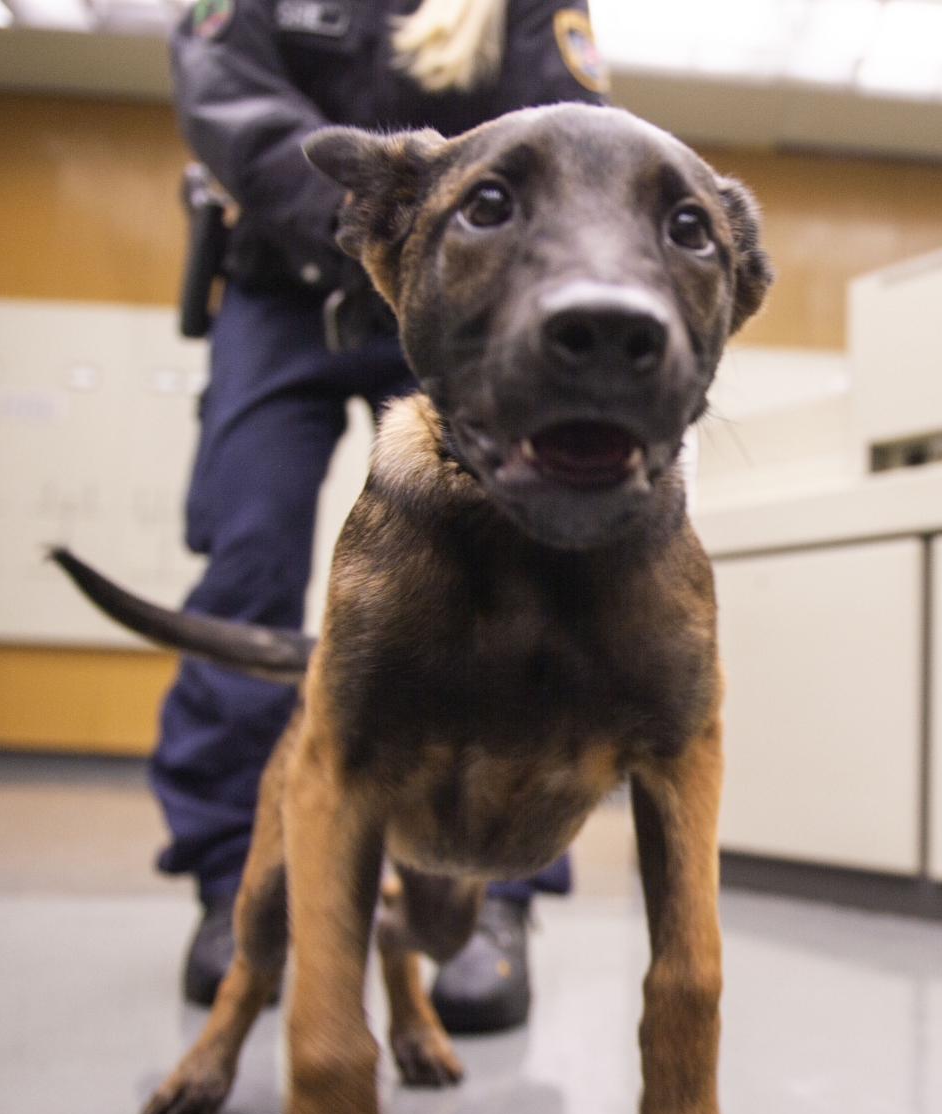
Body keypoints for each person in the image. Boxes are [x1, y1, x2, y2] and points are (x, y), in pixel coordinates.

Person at [158, 0, 609, 1031]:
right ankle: (237, 882)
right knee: (249, 563)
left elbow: (568, 126)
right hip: (285, 293)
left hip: (468, 290)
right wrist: (380, 218)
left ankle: (497, 900)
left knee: (519, 575)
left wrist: (442, 236)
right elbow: (225, 99)